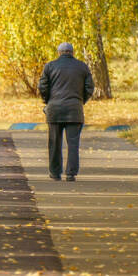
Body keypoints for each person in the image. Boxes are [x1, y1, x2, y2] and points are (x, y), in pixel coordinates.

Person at [39, 41, 95, 181]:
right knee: (73, 143)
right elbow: (89, 88)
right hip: (74, 110)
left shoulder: (50, 66)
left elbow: (42, 86)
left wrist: (47, 101)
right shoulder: (82, 67)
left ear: (59, 53)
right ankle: (71, 173)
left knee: (54, 143)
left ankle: (55, 172)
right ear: (72, 52)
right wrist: (80, 100)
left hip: (54, 110)